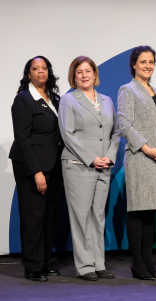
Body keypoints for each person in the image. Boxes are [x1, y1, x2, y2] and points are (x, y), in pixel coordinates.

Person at [59, 56, 120, 281]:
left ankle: (98, 263)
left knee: (98, 216)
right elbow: (68, 135)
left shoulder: (107, 100)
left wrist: (108, 158)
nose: (84, 75)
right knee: (81, 216)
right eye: (79, 72)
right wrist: (92, 158)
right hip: (79, 166)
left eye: (88, 71)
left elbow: (116, 133)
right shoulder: (68, 100)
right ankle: (85, 266)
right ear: (73, 78)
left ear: (95, 74)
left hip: (104, 166)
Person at [118, 46, 156, 280]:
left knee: (151, 212)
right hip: (140, 158)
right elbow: (125, 124)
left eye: (151, 62)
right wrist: (147, 148)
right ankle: (137, 264)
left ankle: (149, 262)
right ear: (134, 64)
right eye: (143, 62)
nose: (148, 66)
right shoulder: (127, 90)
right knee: (138, 211)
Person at [9, 56, 62, 282]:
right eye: (35, 68)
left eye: (44, 68)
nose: (40, 71)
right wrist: (36, 172)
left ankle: (44, 261)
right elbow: (22, 137)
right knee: (33, 216)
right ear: (28, 74)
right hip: (31, 166)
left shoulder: (55, 99)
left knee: (49, 216)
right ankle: (32, 266)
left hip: (54, 164)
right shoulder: (23, 100)